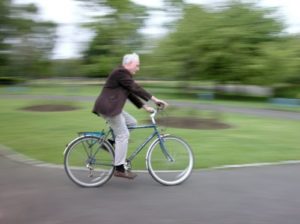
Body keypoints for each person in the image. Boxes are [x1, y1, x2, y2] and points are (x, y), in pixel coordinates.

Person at [92, 53, 168, 179]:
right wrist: (155, 100)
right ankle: (119, 169)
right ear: (128, 64)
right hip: (109, 108)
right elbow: (135, 88)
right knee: (123, 134)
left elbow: (130, 94)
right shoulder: (120, 73)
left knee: (132, 122)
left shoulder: (123, 75)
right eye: (137, 65)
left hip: (113, 107)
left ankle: (109, 143)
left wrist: (145, 107)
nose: (138, 69)